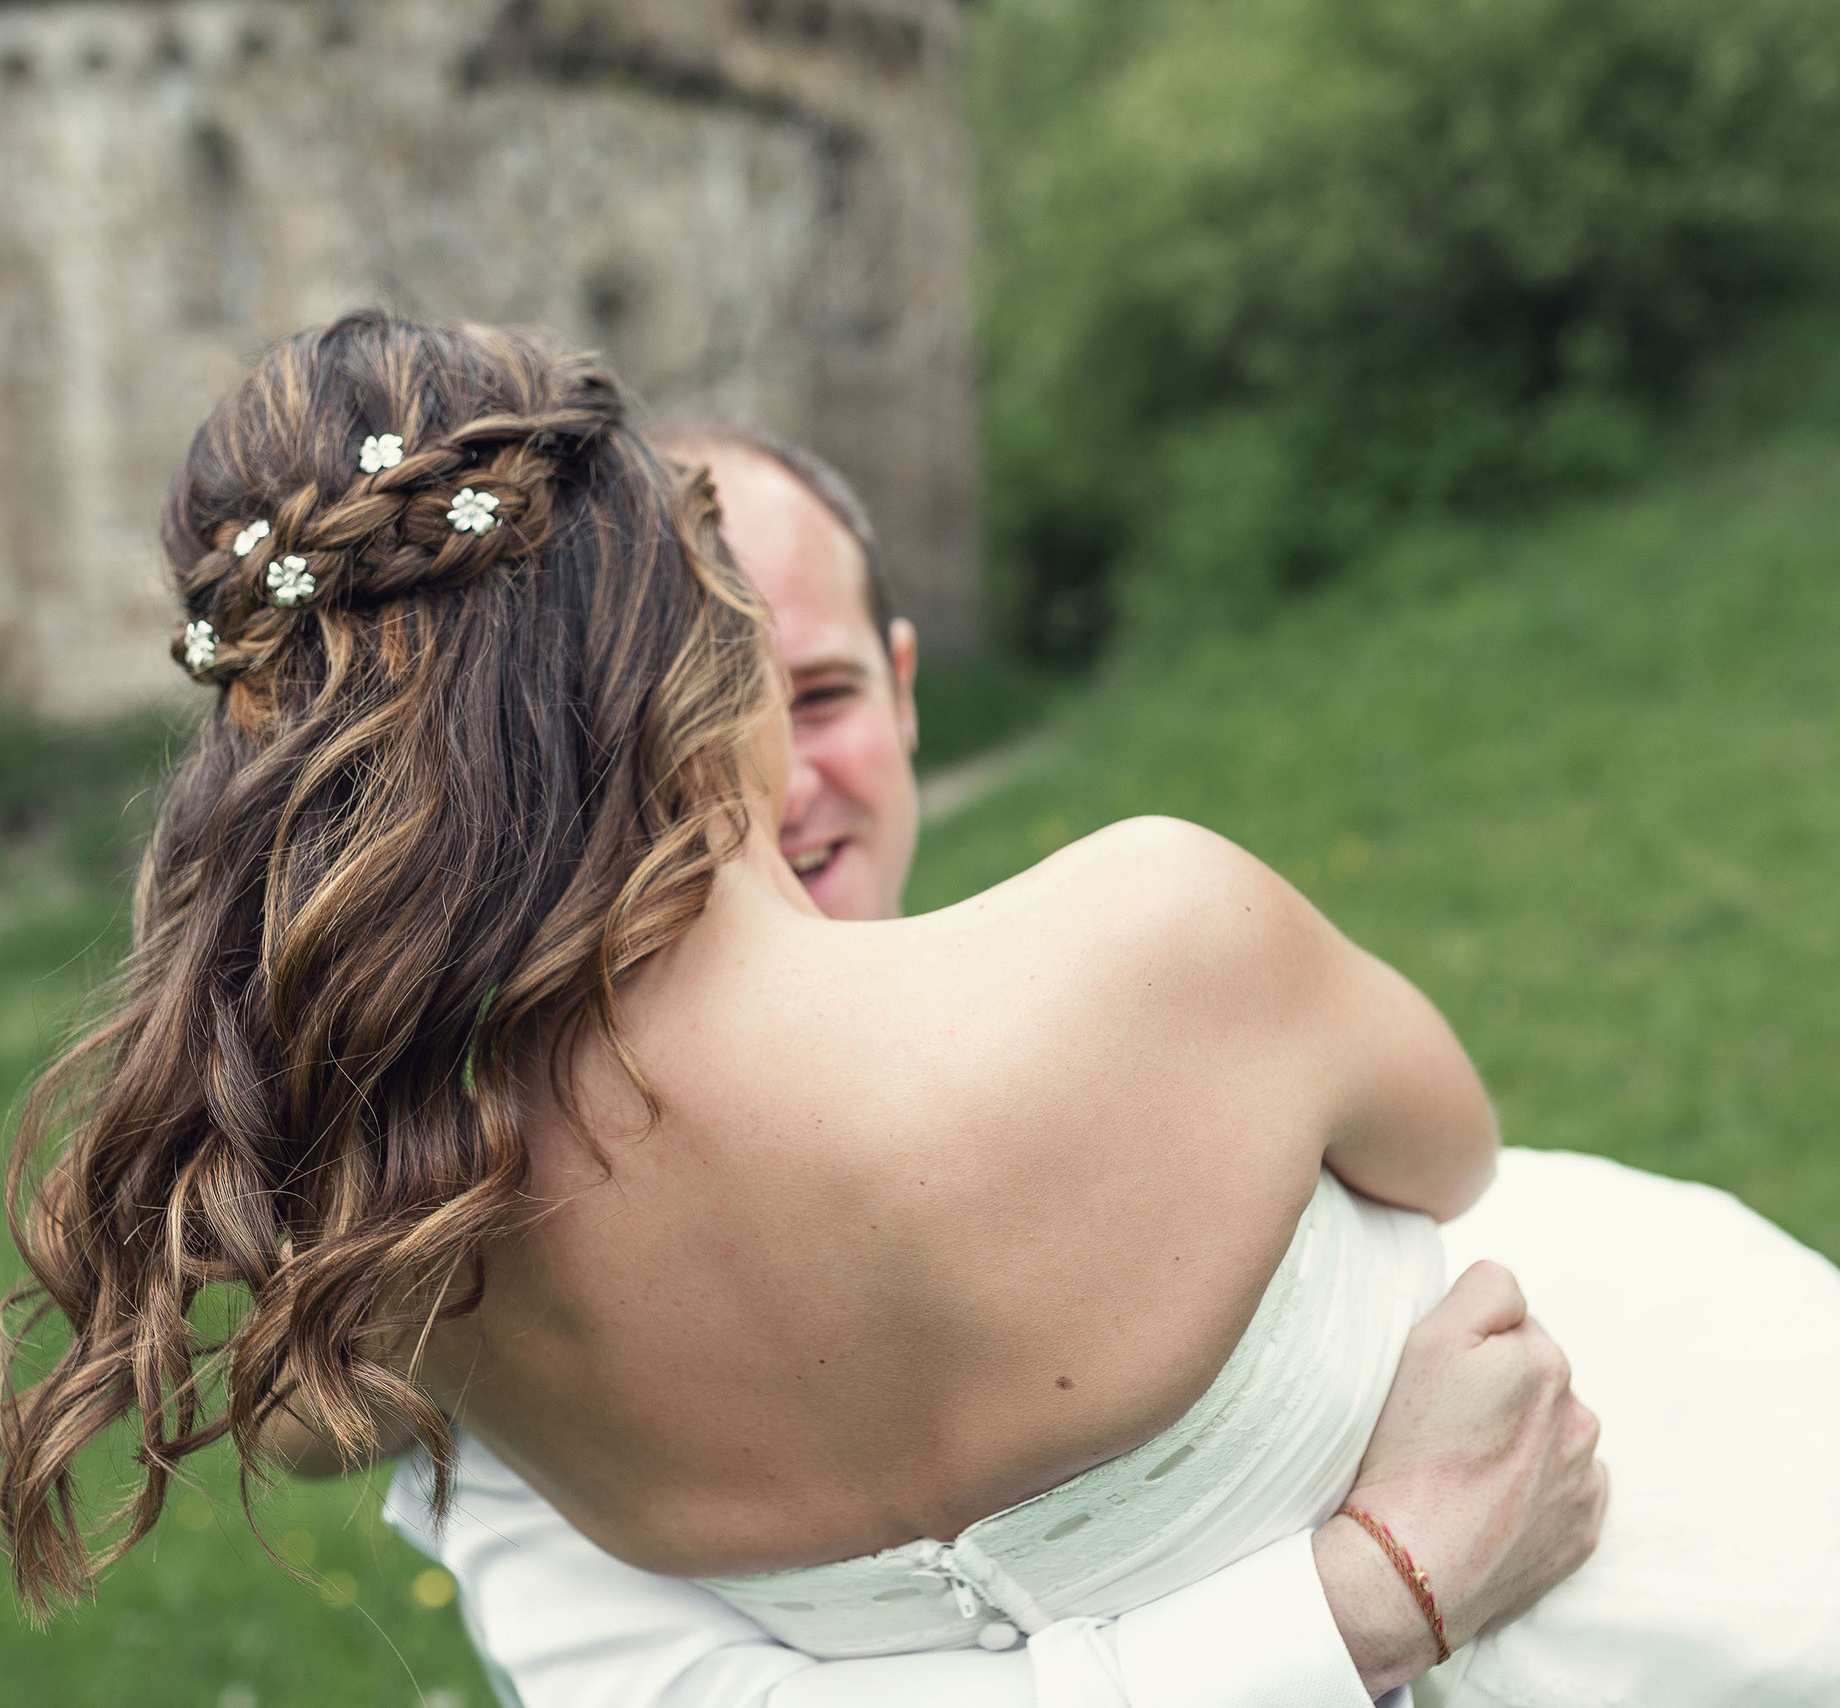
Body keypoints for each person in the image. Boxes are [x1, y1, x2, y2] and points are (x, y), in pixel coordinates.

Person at [0, 316, 1840, 1708]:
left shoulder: (404, 1276)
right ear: (675, 647)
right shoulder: (1152, 938)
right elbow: (1444, 1154)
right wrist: (1359, 1582)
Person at [351, 416, 1607, 1707]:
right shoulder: (470, 1240)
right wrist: (1377, 1604)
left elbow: (1469, 1180)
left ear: (905, 690)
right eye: (728, 690)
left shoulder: (1165, 969)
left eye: (820, 693)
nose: (777, 785)